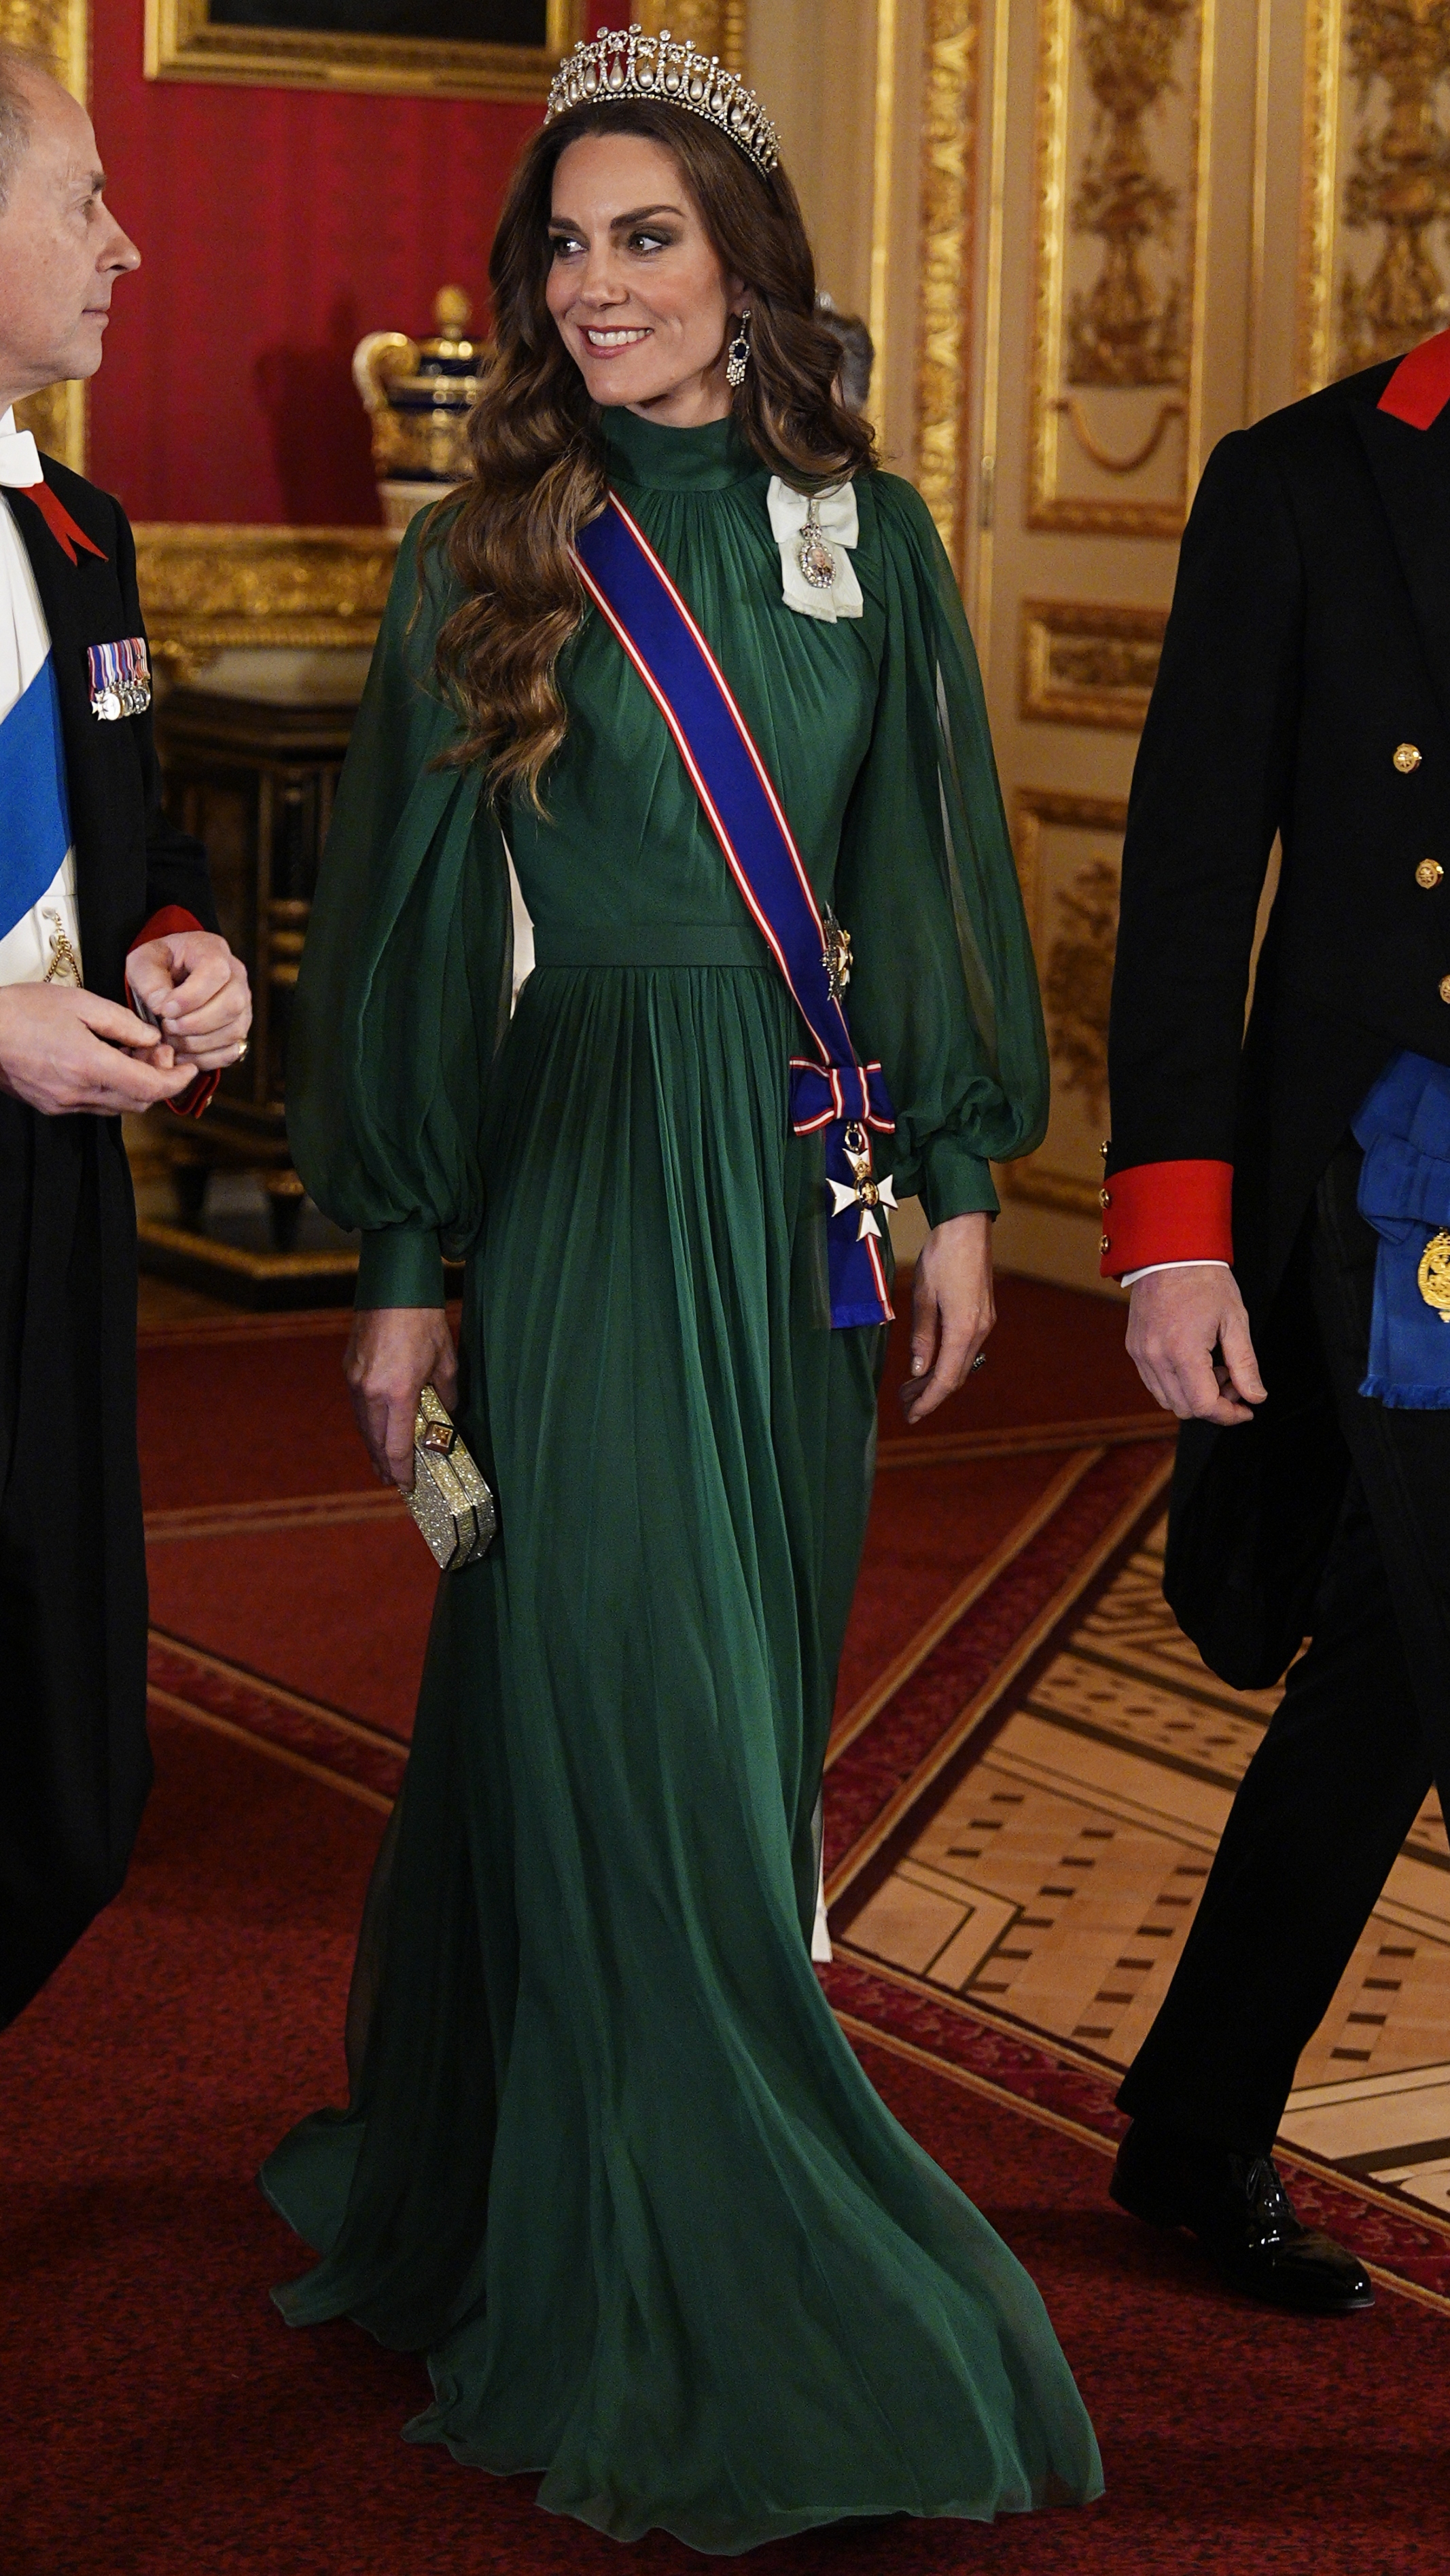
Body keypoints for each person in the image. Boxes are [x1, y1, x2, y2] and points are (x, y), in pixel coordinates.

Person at [262, 26, 1101, 2550]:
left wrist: (954, 1182)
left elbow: (939, 863)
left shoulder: (884, 538)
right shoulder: (480, 553)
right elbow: (413, 941)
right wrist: (404, 1264)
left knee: (714, 1727)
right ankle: (741, 2268)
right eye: (568, 241)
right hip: (588, 1189)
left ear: (748, 267)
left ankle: (504, 2165)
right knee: (635, 1710)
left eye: (647, 237)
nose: (595, 284)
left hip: (802, 1204)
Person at [1100, 329, 1450, 2312]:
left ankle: (1201, 2115)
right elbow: (1188, 870)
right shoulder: (1305, 474)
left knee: (1400, 1658)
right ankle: (1207, 2117)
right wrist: (1171, 1227)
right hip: (1399, 1184)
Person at [0, 45, 251, 2024]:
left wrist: (186, 943)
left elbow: (138, 832)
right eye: (84, 198)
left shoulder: (86, 531)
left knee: (73, 1766)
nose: (127, 244)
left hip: (61, 1181)